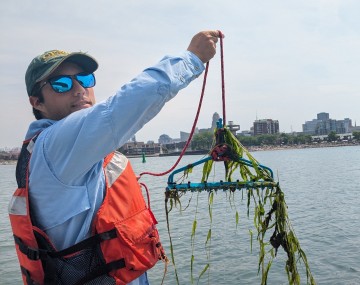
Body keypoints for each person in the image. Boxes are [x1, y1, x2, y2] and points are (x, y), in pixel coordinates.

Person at [8, 30, 223, 285]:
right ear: (37, 103)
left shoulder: (57, 152)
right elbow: (121, 107)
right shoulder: (55, 145)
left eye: (85, 79)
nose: (79, 89)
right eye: (61, 84)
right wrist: (192, 59)